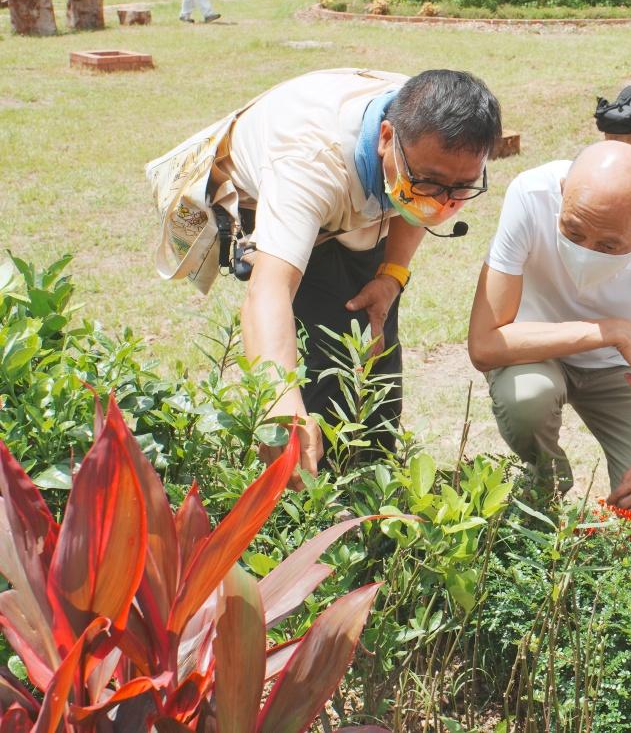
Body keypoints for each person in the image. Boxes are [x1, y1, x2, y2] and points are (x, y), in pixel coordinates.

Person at [150, 68, 500, 481]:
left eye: (463, 187)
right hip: (272, 193)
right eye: (432, 182)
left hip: (362, 193)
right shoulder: (310, 165)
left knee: (375, 341)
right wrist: (279, 402)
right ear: (386, 137)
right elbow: (269, 289)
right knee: (325, 359)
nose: (445, 203)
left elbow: (414, 203)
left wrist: (391, 276)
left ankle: (374, 473)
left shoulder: (430, 128)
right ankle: (321, 494)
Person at [468, 141, 631, 553]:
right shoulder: (530, 196)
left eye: (609, 246)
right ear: (563, 192)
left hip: (620, 372)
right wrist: (612, 330)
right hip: (533, 351)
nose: (585, 251)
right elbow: (484, 344)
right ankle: (544, 483)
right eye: (572, 230)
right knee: (526, 398)